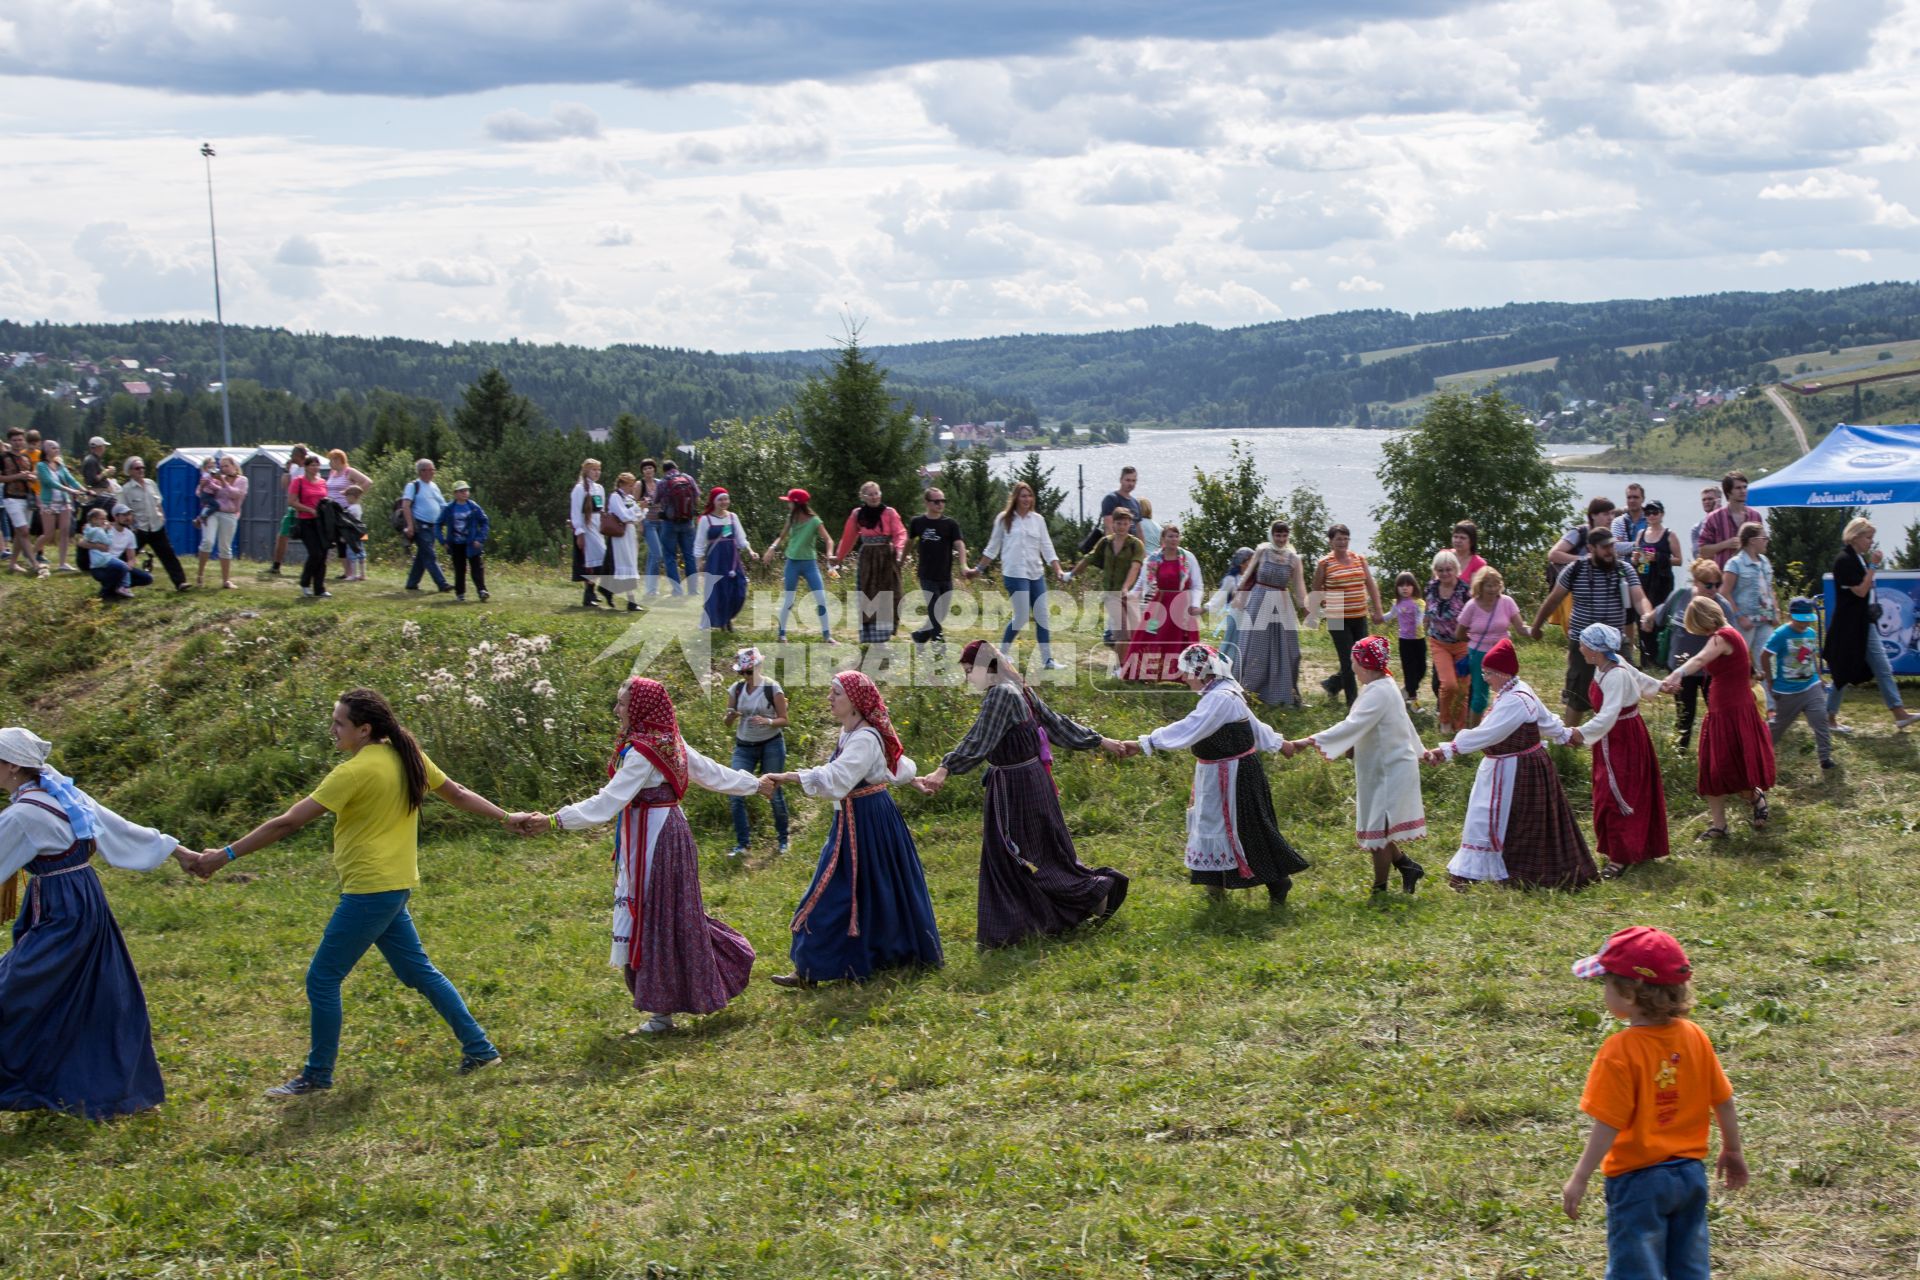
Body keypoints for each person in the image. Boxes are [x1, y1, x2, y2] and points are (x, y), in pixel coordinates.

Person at [185, 689, 508, 1095]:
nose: (332, 730)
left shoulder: (353, 772)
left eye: (339, 723)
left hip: (370, 891)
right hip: (394, 886)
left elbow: (287, 823)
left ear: (364, 729)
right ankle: (479, 1049)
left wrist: (225, 855)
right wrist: (506, 817)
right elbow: (457, 793)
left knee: (322, 978)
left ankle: (317, 1075)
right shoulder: (406, 757)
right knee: (417, 972)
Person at [524, 678, 761, 1035]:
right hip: (667, 832)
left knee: (656, 917)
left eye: (622, 703)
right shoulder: (668, 742)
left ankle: (663, 1012)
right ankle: (667, 1005)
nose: (617, 710)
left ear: (640, 709)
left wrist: (555, 820)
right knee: (668, 915)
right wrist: (755, 784)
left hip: (655, 838)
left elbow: (607, 802)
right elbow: (712, 773)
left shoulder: (644, 751)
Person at [0, 727, 196, 1118]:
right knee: (89, 994)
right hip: (83, 901)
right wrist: (181, 853)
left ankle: (32, 1085)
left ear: (11, 766)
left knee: (17, 990)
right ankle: (87, 1090)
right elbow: (120, 828)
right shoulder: (61, 793)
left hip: (61, 911)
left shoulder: (22, 815)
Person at [914, 640, 1128, 946]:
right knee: (1041, 852)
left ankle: (1089, 894)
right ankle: (1076, 902)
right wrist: (1101, 741)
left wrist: (944, 769)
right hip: (1033, 783)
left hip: (1015, 789)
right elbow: (1057, 725)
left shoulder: (1001, 693)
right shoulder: (1020, 689)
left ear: (985, 668)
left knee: (1016, 856)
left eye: (967, 671)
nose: (966, 679)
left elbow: (979, 739)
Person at [1562, 927, 1747, 1277]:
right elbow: (1723, 1099)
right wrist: (1733, 1150)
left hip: (1638, 1182)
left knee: (1636, 1268)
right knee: (1690, 1265)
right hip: (1690, 1176)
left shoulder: (1620, 1050)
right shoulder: (1694, 1036)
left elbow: (1609, 1123)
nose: (1603, 991)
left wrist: (1580, 1176)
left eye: (1606, 983)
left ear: (1630, 992)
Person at [761, 672, 942, 987]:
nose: (830, 698)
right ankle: (818, 966)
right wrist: (913, 780)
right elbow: (889, 764)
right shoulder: (852, 733)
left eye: (836, 694)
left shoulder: (863, 738)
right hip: (855, 820)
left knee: (839, 892)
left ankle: (816, 967)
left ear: (856, 703)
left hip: (868, 822)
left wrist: (787, 776)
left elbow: (837, 778)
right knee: (863, 890)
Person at [1110, 644, 1310, 906]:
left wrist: (1144, 743)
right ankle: (1216, 887)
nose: (1183, 678)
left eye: (1186, 672)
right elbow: (1252, 723)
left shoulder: (1221, 698)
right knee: (1211, 825)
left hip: (1234, 777)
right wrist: (1281, 745)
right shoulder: (1223, 693)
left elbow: (1190, 727)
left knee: (1244, 829)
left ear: (1202, 672)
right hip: (1218, 774)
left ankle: (1276, 882)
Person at [1424, 637, 1598, 890]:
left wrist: (1448, 749)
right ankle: (1491, 870)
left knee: (1490, 819)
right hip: (1517, 767)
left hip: (1514, 771)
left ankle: (1488, 873)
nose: (1485, 678)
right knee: (1510, 820)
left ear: (1503, 673)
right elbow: (1545, 719)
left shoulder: (1515, 700)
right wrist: (1563, 735)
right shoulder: (1518, 690)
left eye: (1488, 673)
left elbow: (1488, 733)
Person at [1281, 635, 1427, 897]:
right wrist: (1420, 751)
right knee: (1379, 827)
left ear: (1366, 664)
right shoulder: (1381, 685)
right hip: (1382, 768)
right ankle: (1407, 866)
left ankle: (1379, 890)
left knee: (1378, 832)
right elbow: (1381, 723)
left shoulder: (1380, 691)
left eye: (1354, 662)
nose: (1352, 668)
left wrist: (1307, 741)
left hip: (1389, 770)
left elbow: (1351, 725)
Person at [1660, 598, 1777, 839]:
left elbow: (1701, 659)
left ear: (1701, 620)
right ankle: (1719, 825)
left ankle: (1755, 797)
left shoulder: (1722, 637)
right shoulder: (1729, 634)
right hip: (1723, 710)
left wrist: (1677, 673)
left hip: (1732, 710)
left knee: (1734, 768)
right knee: (1713, 769)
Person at [1567, 624, 1670, 879]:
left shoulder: (1615, 674)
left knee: (1616, 794)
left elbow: (1608, 715)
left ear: (1594, 650)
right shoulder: (1609, 664)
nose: (1580, 648)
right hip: (1614, 736)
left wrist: (1580, 733)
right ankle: (1629, 848)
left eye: (1583, 645)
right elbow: (1640, 678)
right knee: (1615, 791)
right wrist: (1661, 685)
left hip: (1622, 738)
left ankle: (1621, 857)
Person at [1530, 529, 1655, 722]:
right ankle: (1569, 744)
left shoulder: (1624, 569)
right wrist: (1537, 627)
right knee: (1578, 696)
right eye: (1604, 547)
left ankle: (1620, 740)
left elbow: (1639, 598)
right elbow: (1553, 600)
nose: (1610, 551)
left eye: (1612, 546)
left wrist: (1647, 615)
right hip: (1584, 645)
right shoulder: (1575, 569)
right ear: (1591, 548)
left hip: (1615, 643)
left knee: (1624, 693)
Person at [1823, 518, 1920, 733]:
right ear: (1855, 536)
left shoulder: (1857, 558)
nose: (1871, 542)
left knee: (1883, 668)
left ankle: (1899, 713)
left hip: (1865, 623)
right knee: (1842, 671)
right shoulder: (1844, 560)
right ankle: (1829, 718)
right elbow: (1860, 590)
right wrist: (1874, 567)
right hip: (1849, 626)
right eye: (1868, 538)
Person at [970, 482, 1065, 670]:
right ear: (1015, 498)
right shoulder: (1004, 519)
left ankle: (1048, 661)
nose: (1027, 499)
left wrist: (1058, 570)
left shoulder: (1038, 520)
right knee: (1021, 616)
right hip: (1014, 573)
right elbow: (992, 548)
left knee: (1042, 616)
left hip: (1035, 573)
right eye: (1023, 496)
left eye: (1029, 496)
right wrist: (978, 569)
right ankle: (1001, 655)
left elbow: (1047, 547)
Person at [1655, 559, 1733, 751]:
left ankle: (1720, 752)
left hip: (1710, 671)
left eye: (1717, 584)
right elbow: (1660, 616)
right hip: (1682, 668)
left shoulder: (1722, 606)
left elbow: (1732, 637)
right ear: (1696, 582)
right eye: (1708, 585)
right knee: (1685, 716)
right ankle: (1679, 755)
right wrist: (1648, 617)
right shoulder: (1680, 596)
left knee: (1718, 714)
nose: (1713, 589)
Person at [1233, 519, 1310, 707]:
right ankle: (1250, 691)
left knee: (1290, 651)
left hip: (1282, 603)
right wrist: (1239, 596)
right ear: (1272, 534)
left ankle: (1283, 692)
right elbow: (1247, 575)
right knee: (1255, 648)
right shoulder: (1262, 551)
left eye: (1284, 535)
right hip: (1259, 600)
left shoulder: (1294, 559)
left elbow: (1300, 588)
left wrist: (1307, 608)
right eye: (1278, 535)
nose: (1281, 539)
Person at [722, 647, 789, 857]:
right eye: (741, 672)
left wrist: (767, 721)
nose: (745, 676)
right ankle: (743, 845)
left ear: (758, 667)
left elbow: (784, 720)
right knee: (735, 792)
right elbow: (726, 723)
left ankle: (783, 841)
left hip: (771, 744)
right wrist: (732, 716)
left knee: (774, 792)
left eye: (748, 671)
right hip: (744, 746)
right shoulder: (736, 690)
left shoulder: (772, 688)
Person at [1311, 523, 1385, 707]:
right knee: (1348, 660)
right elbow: (1316, 589)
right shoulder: (1324, 563)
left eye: (1345, 538)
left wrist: (1378, 609)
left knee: (1363, 657)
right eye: (1338, 539)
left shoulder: (1359, 559)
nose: (1342, 542)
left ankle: (1333, 684)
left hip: (1359, 615)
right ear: (1330, 542)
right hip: (1336, 616)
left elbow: (1370, 585)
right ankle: (1353, 704)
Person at [1119, 523, 1204, 682]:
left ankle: (1186, 676)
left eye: (1176, 536)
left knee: (1183, 640)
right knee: (1150, 635)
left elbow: (1197, 584)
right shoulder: (1152, 559)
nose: (1174, 539)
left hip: (1182, 605)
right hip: (1158, 605)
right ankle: (1143, 673)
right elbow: (1141, 583)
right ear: (1163, 539)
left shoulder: (1188, 558)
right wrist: (1130, 595)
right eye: (1170, 536)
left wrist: (1195, 604)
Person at [837, 481, 908, 646]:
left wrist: (899, 551)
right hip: (867, 558)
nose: (875, 497)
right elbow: (848, 537)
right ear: (863, 497)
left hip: (886, 557)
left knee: (889, 594)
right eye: (870, 494)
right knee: (868, 595)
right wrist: (839, 557)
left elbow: (900, 533)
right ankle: (871, 636)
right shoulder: (857, 514)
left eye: (877, 493)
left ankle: (884, 635)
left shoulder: (890, 513)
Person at [1068, 505, 1145, 660]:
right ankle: (1119, 669)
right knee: (1123, 632)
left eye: (1125, 523)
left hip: (1131, 595)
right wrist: (1071, 574)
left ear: (1130, 524)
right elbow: (1088, 559)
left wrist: (1126, 587)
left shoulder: (1136, 545)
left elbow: (1135, 567)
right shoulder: (1105, 543)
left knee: (1135, 632)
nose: (1122, 527)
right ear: (1113, 524)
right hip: (1112, 594)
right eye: (1119, 523)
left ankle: (1129, 667)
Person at [763, 488, 837, 644]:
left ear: (796, 504)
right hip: (792, 563)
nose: (787, 505)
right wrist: (772, 548)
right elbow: (781, 537)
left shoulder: (815, 521)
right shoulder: (791, 518)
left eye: (789, 502)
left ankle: (827, 636)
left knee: (821, 599)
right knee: (789, 599)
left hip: (810, 564)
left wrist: (830, 554)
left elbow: (829, 540)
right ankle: (781, 634)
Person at [1767, 598, 1834, 771]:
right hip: (1787, 692)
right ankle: (1760, 751)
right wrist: (1770, 680)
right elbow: (1764, 655)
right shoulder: (1781, 634)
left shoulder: (1811, 633)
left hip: (1811, 686)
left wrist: (1819, 677)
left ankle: (1825, 758)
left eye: (1808, 619)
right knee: (1778, 726)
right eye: (1800, 619)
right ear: (1790, 616)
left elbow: (1811, 656)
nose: (1805, 623)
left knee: (1821, 720)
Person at [1722, 522, 1778, 712]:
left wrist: (1776, 611)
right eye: (1764, 538)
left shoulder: (1765, 562)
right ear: (1752, 541)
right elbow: (1725, 592)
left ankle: (1768, 706)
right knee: (1742, 662)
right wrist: (1739, 615)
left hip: (1765, 620)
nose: (1767, 541)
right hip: (1745, 621)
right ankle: (1741, 701)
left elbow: (1770, 589)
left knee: (1766, 660)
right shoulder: (1735, 563)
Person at [115, 456, 188, 591]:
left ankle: (180, 582)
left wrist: (162, 516)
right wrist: (130, 525)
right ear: (130, 471)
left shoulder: (151, 484)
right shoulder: (125, 489)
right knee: (127, 557)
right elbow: (121, 509)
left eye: (143, 468)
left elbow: (158, 502)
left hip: (156, 526)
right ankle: (115, 581)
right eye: (137, 468)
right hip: (139, 529)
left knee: (168, 555)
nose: (141, 470)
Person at [1459, 566, 1520, 723]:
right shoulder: (1472, 605)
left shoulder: (1507, 602)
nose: (1493, 589)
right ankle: (1475, 733)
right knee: (1480, 696)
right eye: (1489, 585)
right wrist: (1476, 644)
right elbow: (1459, 633)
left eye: (1496, 584)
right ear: (1480, 586)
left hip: (1503, 653)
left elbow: (1521, 628)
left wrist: (1533, 631)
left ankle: (1504, 725)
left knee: (1509, 690)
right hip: (1479, 653)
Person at [907, 487, 966, 647]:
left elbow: (959, 544)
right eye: (936, 501)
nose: (940, 504)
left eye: (943, 501)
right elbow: (909, 542)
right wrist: (901, 559)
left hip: (945, 575)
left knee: (942, 612)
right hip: (926, 575)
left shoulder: (950, 524)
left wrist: (963, 565)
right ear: (927, 503)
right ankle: (939, 647)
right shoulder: (917, 522)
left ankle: (920, 636)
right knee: (934, 610)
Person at [1629, 499, 1681, 667]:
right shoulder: (1641, 534)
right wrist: (1635, 559)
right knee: (1642, 618)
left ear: (1662, 514)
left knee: (1660, 618)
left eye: (1655, 512)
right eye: (1648, 512)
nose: (1651, 515)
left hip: (1662, 582)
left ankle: (1661, 659)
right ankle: (1646, 659)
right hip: (1644, 579)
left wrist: (1658, 557)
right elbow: (1635, 558)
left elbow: (1679, 560)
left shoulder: (1669, 534)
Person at [1425, 550, 1472, 734]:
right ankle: (1444, 720)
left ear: (1456, 569)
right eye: (1441, 570)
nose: (1445, 574)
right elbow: (1428, 611)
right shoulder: (1431, 587)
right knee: (1449, 684)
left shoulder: (1465, 591)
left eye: (1448, 569)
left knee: (1462, 688)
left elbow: (1473, 615)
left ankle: (1459, 728)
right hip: (1439, 643)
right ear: (1435, 571)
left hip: (1462, 644)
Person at [694, 487, 753, 631]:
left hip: (732, 559)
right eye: (720, 499)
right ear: (714, 501)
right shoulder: (706, 520)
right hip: (716, 560)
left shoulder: (732, 517)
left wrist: (750, 551)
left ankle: (728, 617)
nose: (724, 502)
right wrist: (699, 562)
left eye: (726, 499)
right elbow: (699, 542)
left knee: (739, 589)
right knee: (718, 590)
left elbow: (740, 539)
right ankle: (723, 621)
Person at [195, 454, 248, 589]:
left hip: (230, 514)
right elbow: (200, 493)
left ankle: (226, 580)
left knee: (225, 547)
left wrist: (223, 482)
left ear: (234, 466)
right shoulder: (217, 478)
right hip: (213, 512)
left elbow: (236, 494)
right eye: (222, 466)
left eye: (226, 466)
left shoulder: (242, 480)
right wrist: (202, 486)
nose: (223, 469)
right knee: (208, 541)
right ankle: (200, 574)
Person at [33, 439, 86, 573]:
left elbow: (70, 479)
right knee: (48, 534)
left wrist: (83, 489)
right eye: (53, 447)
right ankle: (32, 554)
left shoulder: (60, 464)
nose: (56, 450)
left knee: (64, 532)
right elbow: (49, 482)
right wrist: (69, 490)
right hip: (49, 502)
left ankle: (63, 563)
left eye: (57, 447)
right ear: (45, 450)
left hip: (63, 502)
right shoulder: (41, 466)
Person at [401, 457, 452, 595]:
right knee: (429, 555)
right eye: (430, 470)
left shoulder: (434, 486)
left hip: (433, 526)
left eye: (433, 470)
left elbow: (442, 504)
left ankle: (412, 583)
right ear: (421, 471)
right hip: (420, 525)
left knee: (422, 556)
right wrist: (410, 526)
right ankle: (442, 584)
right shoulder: (413, 486)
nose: (432, 472)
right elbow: (406, 506)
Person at [651, 459, 703, 594]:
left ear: (664, 471)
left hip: (669, 524)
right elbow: (697, 497)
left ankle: (677, 590)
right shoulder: (688, 478)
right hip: (688, 522)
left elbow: (655, 500)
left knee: (670, 557)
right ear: (676, 467)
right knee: (689, 555)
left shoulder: (663, 483)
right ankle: (693, 589)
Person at [436, 480, 491, 603]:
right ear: (455, 493)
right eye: (462, 491)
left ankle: (482, 591)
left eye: (466, 490)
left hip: (472, 543)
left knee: (477, 568)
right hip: (456, 544)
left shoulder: (474, 507)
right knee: (460, 569)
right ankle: (460, 594)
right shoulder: (449, 508)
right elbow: (438, 524)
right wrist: (442, 541)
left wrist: (480, 539)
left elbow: (484, 522)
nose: (465, 493)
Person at [1696, 471, 1764, 570]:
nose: (1743, 491)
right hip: (1723, 578)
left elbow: (1762, 548)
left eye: (1745, 487)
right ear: (1728, 492)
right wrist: (1725, 544)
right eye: (1738, 488)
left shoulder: (1755, 516)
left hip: (1750, 577)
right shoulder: (1714, 518)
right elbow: (1703, 551)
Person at [569, 458, 614, 609]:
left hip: (597, 527)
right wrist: (579, 532)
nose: (597, 473)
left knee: (600, 560)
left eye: (598, 470)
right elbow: (575, 512)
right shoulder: (579, 489)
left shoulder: (599, 488)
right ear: (586, 471)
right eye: (594, 470)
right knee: (593, 561)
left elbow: (601, 509)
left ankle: (592, 591)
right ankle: (589, 594)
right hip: (586, 528)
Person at [288, 452, 334, 599]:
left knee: (323, 554)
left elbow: (325, 499)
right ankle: (305, 583)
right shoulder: (298, 481)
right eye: (312, 465)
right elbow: (292, 501)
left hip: (321, 522)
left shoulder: (322, 482)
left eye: (317, 465)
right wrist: (308, 509)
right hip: (306, 521)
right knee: (315, 553)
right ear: (306, 467)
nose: (315, 468)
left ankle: (319, 588)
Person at [84, 506, 151, 602]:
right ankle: (105, 593)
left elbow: (131, 558)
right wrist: (97, 546)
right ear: (116, 517)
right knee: (120, 568)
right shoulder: (104, 528)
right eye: (124, 515)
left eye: (129, 514)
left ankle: (118, 588)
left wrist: (129, 566)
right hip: (100, 567)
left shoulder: (130, 534)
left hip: (118, 566)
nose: (128, 517)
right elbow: (81, 542)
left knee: (147, 578)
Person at [324, 449, 373, 579]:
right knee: (338, 541)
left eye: (332, 460)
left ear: (339, 460)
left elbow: (367, 481)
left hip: (346, 510)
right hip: (333, 510)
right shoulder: (332, 473)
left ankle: (353, 572)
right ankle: (347, 571)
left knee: (348, 539)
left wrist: (354, 494)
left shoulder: (349, 472)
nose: (330, 463)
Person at [267, 443, 311, 575]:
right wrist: (287, 470)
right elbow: (284, 486)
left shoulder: (310, 469)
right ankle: (276, 566)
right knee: (282, 535)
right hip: (293, 507)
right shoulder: (295, 469)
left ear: (299, 455)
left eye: (293, 455)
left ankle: (314, 564)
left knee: (309, 538)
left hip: (305, 508)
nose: (291, 457)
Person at [1079, 464, 1142, 554]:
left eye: (1133, 481)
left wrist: (1142, 552)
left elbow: (1139, 529)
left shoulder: (1135, 503)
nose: (1131, 484)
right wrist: (1114, 550)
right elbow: (1109, 526)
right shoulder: (1112, 499)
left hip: (1132, 549)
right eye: (1128, 480)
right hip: (1117, 550)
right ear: (1121, 480)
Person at [603, 471, 643, 612]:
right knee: (623, 564)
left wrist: (641, 508)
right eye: (629, 485)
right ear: (621, 484)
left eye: (632, 485)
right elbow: (624, 515)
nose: (631, 488)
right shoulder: (615, 497)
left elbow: (638, 516)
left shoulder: (630, 498)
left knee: (630, 564)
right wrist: (637, 508)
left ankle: (628, 599)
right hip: (620, 535)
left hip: (630, 533)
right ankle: (629, 600)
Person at [2, 426, 36, 575]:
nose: (17, 443)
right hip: (11, 497)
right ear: (10, 441)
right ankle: (34, 563)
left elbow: (34, 475)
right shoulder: (3, 458)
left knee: (20, 532)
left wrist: (31, 477)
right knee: (23, 531)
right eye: (14, 440)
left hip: (26, 497)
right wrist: (17, 477)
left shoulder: (26, 458)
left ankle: (13, 563)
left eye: (20, 440)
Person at [1210, 546, 1255, 659]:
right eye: (1251, 559)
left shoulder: (1254, 578)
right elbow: (1220, 595)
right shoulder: (1232, 579)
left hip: (1249, 616)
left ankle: (1237, 670)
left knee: (1244, 645)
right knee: (1230, 642)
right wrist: (1207, 607)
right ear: (1242, 563)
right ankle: (1221, 666)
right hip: (1235, 615)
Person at [1391, 571, 1426, 704]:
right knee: (1409, 669)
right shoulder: (1397, 603)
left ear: (1414, 587)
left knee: (1421, 669)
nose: (1404, 588)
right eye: (1401, 585)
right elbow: (1391, 615)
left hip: (1419, 639)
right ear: (1397, 588)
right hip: (1404, 641)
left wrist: (1419, 621)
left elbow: (1420, 616)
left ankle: (1408, 689)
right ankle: (1413, 698)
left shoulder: (1419, 603)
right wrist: (1379, 618)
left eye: (1408, 585)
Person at [634, 458, 664, 598]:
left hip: (661, 522)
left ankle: (651, 589)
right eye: (645, 469)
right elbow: (634, 505)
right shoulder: (640, 485)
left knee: (653, 555)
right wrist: (640, 524)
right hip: (648, 522)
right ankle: (650, 588)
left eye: (650, 468)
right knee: (657, 554)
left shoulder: (659, 483)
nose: (648, 471)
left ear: (654, 469)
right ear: (642, 471)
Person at [339, 483, 368, 583]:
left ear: (352, 497)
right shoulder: (358, 507)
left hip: (352, 534)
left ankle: (353, 575)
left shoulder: (351, 509)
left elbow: (347, 523)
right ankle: (363, 574)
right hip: (361, 532)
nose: (345, 499)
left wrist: (344, 536)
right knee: (361, 552)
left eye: (346, 496)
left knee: (351, 553)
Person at [1688, 485, 1721, 563]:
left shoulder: (1729, 522)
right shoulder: (1696, 528)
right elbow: (1698, 555)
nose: (1706, 502)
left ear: (1718, 500)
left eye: (1710, 499)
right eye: (1704, 500)